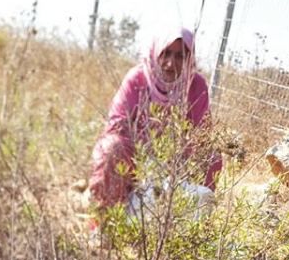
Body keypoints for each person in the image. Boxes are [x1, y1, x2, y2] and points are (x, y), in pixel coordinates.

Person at [88, 27, 223, 210]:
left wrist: (176, 152)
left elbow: (203, 133)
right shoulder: (137, 78)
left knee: (212, 157)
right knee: (111, 148)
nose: (170, 63)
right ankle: (107, 217)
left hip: (177, 157)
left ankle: (191, 221)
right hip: (135, 153)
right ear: (156, 52)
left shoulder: (196, 85)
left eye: (180, 56)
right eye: (165, 54)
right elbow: (116, 123)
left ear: (189, 59)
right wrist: (146, 149)